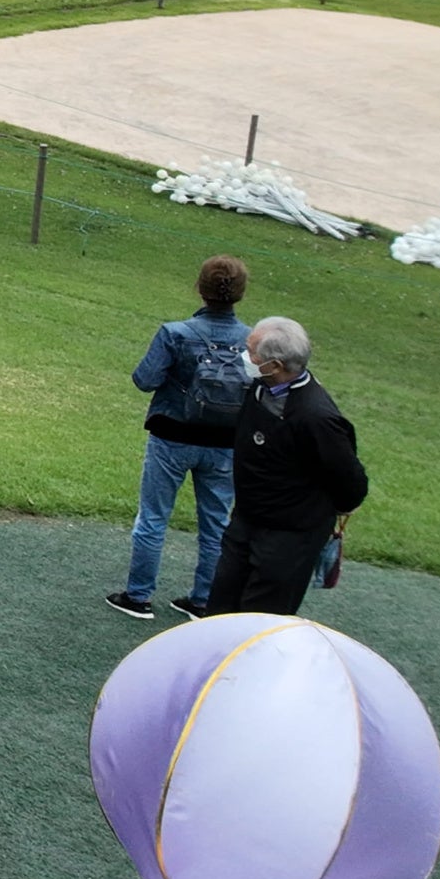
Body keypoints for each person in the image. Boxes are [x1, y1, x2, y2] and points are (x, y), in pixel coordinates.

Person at [110, 255, 252, 619]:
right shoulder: (252, 341)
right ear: (239, 294)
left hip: (171, 437)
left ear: (200, 288)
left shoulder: (175, 333)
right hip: (224, 446)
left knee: (154, 518)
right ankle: (204, 600)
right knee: (216, 525)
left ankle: (138, 596)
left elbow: (144, 380)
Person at [203, 317, 367, 617]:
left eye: (250, 351)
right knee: (220, 610)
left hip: (289, 537)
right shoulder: (260, 388)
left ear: (275, 366)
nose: (244, 356)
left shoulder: (317, 418)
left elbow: (351, 483)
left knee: (261, 618)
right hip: (247, 521)